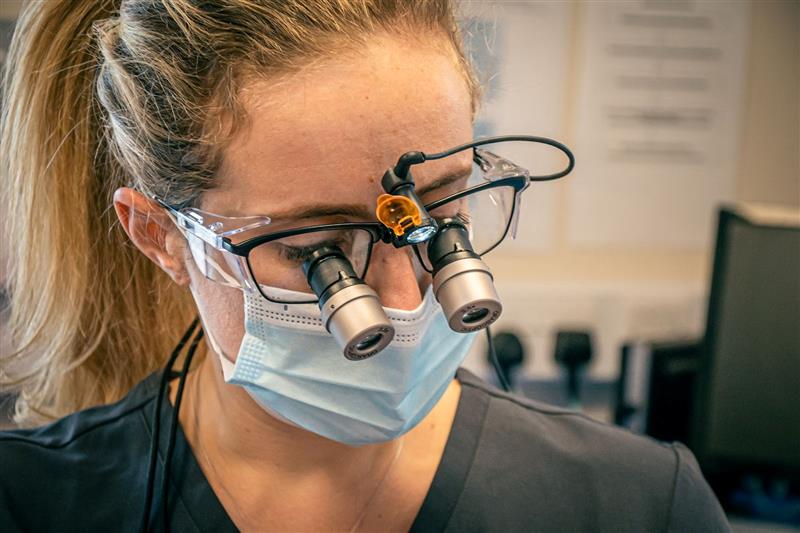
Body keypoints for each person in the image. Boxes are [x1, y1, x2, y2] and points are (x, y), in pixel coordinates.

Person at [0, 1, 730, 531]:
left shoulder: (638, 504)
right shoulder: (28, 500)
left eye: (441, 220)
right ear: (160, 234)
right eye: (312, 252)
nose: (405, 303)